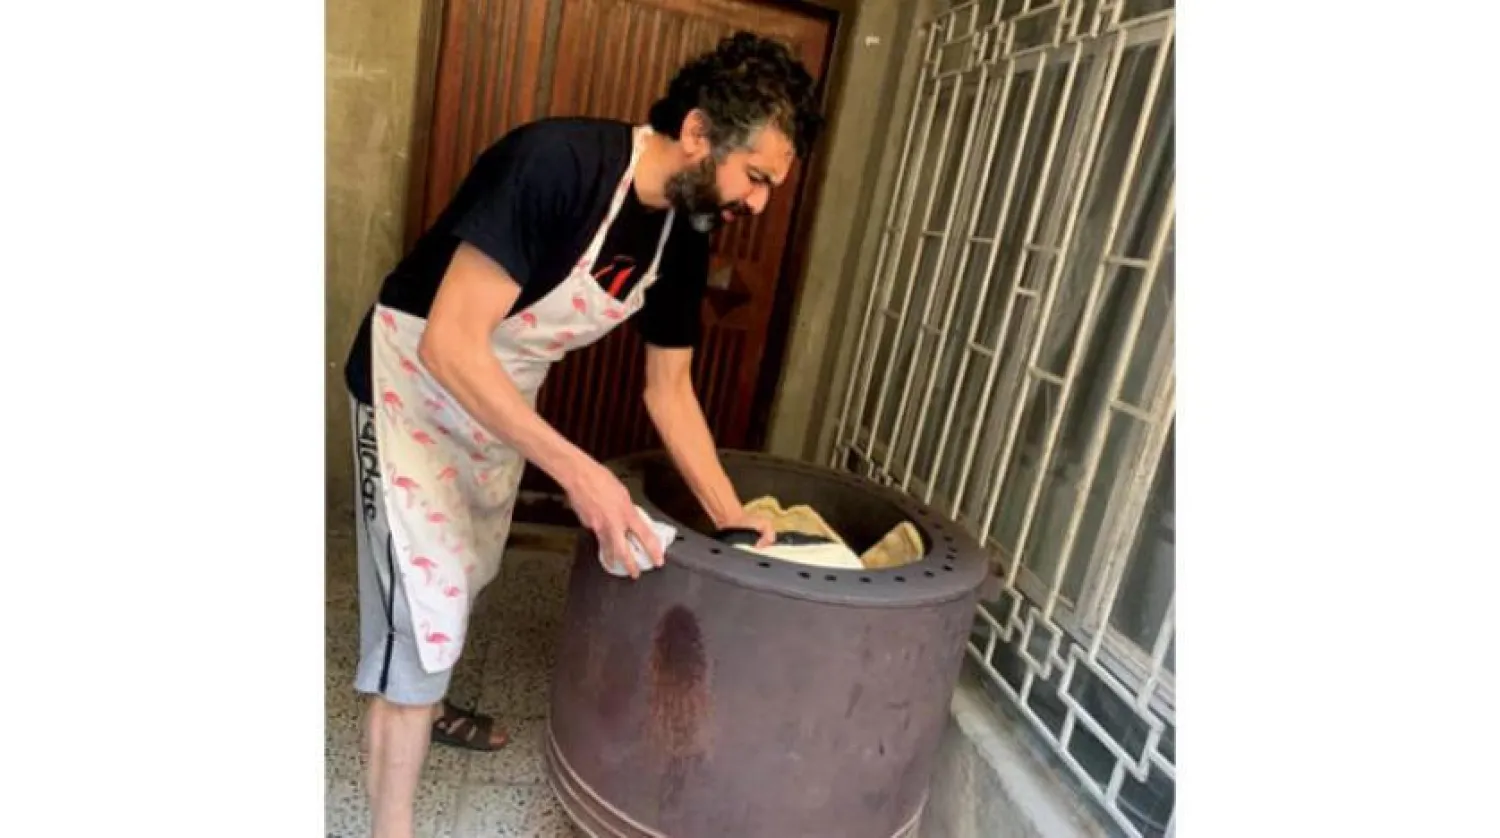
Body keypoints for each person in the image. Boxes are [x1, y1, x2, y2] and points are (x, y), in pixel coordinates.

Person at [339, 31, 824, 838]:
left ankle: (426, 696)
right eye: (757, 177)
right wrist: (580, 473)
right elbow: (451, 341)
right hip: (415, 387)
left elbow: (669, 391)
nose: (761, 203)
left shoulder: (687, 231)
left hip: (503, 398)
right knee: (419, 609)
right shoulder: (558, 163)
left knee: (463, 569)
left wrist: (734, 517)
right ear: (699, 133)